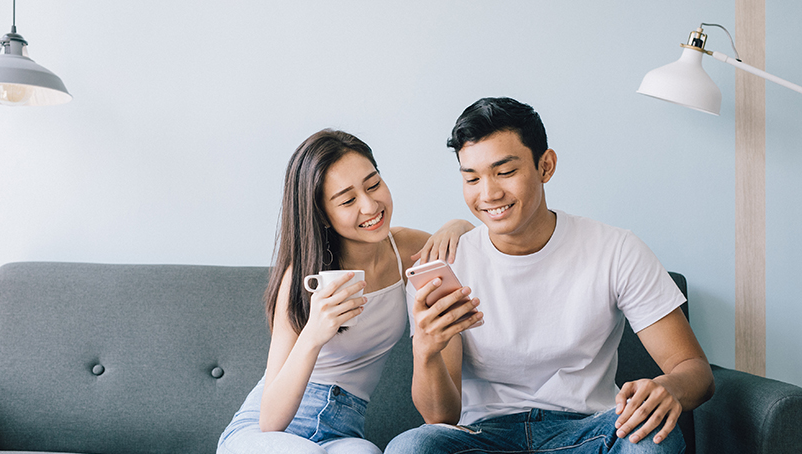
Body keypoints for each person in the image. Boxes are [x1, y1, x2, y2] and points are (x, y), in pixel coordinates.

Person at [385, 97, 715, 454]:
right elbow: (440, 417)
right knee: (412, 447)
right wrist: (426, 350)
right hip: (485, 438)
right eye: (472, 178)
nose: (489, 193)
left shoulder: (615, 249)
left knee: (651, 441)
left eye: (505, 172)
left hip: (591, 431)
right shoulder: (447, 264)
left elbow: (694, 369)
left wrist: (671, 388)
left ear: (546, 166)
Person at [216, 129, 472, 454]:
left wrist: (458, 225)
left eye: (374, 184)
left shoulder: (410, 249)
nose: (370, 205)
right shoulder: (303, 275)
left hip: (344, 430)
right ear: (323, 214)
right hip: (267, 430)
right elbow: (270, 420)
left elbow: (473, 243)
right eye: (348, 200)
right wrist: (314, 334)